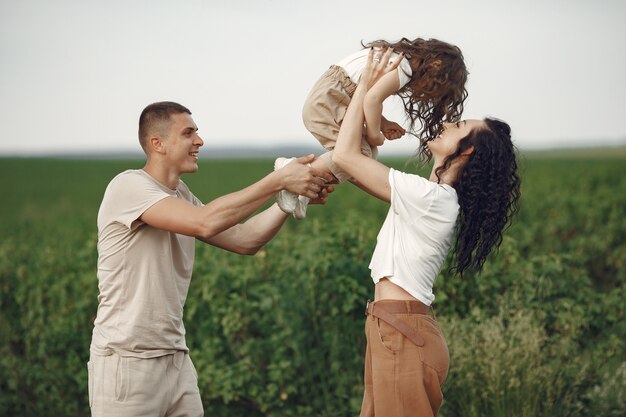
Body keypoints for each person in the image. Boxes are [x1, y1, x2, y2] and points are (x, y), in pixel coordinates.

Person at [87, 101, 333, 417]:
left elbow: (245, 240)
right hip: (127, 361)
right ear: (157, 144)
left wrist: (287, 201)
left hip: (175, 358)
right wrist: (278, 180)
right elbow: (205, 221)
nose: (199, 141)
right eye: (188, 133)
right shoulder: (129, 186)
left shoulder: (180, 194)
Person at [332, 49, 521, 417]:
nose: (448, 123)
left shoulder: (432, 198)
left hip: (402, 332)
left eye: (459, 126)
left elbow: (344, 157)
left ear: (466, 152)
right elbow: (355, 164)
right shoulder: (428, 196)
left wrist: (368, 85)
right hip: (392, 328)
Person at [275, 36, 468, 219]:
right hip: (329, 101)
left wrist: (383, 123)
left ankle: (304, 190)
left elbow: (366, 94)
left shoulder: (396, 60)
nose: (426, 92)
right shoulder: (403, 68)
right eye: (434, 86)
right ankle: (294, 171)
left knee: (368, 155)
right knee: (361, 154)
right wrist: (376, 134)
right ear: (435, 65)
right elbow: (372, 99)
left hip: (332, 97)